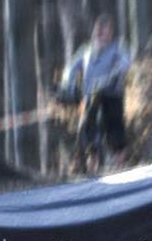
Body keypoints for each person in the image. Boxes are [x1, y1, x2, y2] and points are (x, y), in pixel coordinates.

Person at [59, 13, 132, 167]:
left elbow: (126, 62)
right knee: (88, 125)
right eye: (97, 32)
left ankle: (120, 158)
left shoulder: (117, 47)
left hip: (112, 94)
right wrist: (68, 84)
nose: (99, 36)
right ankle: (93, 158)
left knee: (114, 124)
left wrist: (113, 75)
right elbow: (71, 68)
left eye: (103, 32)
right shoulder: (86, 51)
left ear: (110, 33)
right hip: (90, 94)